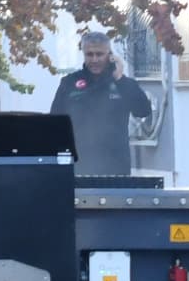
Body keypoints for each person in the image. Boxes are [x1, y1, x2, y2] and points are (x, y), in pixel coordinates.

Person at [53, 28, 159, 179]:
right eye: (90, 54)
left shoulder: (124, 83)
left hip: (115, 168)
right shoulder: (69, 83)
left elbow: (143, 111)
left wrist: (120, 79)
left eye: (99, 54)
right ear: (84, 54)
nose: (94, 59)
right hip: (78, 167)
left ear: (109, 55)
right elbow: (55, 122)